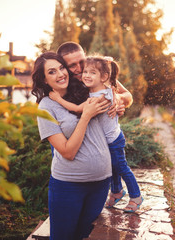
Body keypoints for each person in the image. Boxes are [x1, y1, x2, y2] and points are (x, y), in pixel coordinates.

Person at [31, 52, 113, 240]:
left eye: (61, 68)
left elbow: (116, 88)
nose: (60, 74)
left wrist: (123, 102)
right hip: (69, 185)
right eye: (52, 72)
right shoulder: (46, 107)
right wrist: (85, 116)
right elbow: (68, 152)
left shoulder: (85, 89)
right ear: (44, 80)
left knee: (86, 236)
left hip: (101, 182)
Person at [49, 55, 143, 213]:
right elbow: (109, 78)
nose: (84, 74)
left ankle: (136, 196)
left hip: (113, 139)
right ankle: (117, 191)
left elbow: (78, 109)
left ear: (103, 76)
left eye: (91, 72)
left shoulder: (99, 96)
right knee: (113, 166)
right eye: (85, 71)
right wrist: (106, 61)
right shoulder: (99, 87)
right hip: (108, 138)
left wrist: (58, 99)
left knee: (121, 167)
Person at [57, 41, 133, 116]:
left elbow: (128, 95)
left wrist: (116, 99)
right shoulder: (61, 85)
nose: (80, 69)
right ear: (63, 66)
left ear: (85, 56)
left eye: (82, 62)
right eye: (72, 65)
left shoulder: (97, 75)